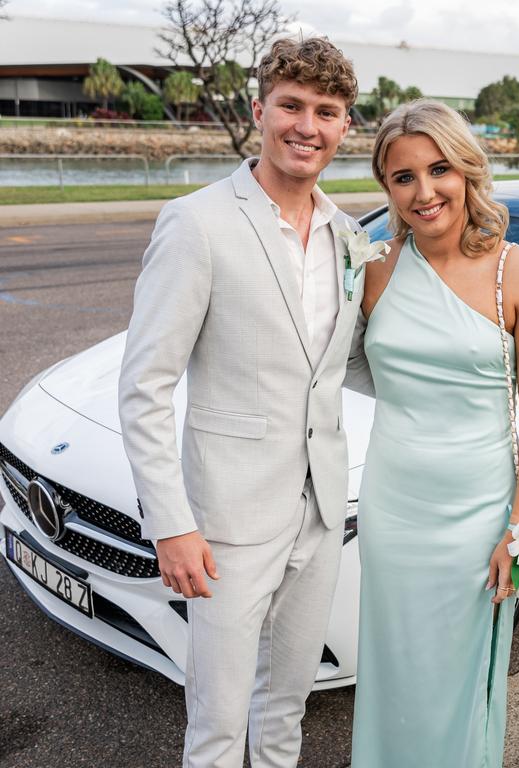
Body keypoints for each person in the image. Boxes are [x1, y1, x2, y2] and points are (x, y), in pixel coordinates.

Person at [118, 37, 372, 768]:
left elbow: (342, 364)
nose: (308, 126)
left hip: (321, 511)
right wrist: (171, 525)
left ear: (344, 126)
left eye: (327, 112)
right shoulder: (196, 223)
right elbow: (144, 386)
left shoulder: (350, 237)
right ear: (260, 110)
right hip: (227, 522)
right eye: (292, 106)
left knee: (285, 709)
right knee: (219, 724)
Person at [350, 100, 519, 766]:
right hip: (394, 509)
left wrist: (518, 529)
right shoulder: (374, 271)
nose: (424, 191)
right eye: (402, 177)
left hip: (478, 517)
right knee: (393, 671)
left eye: (438, 169)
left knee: (462, 683)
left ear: (467, 170)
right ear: (387, 189)